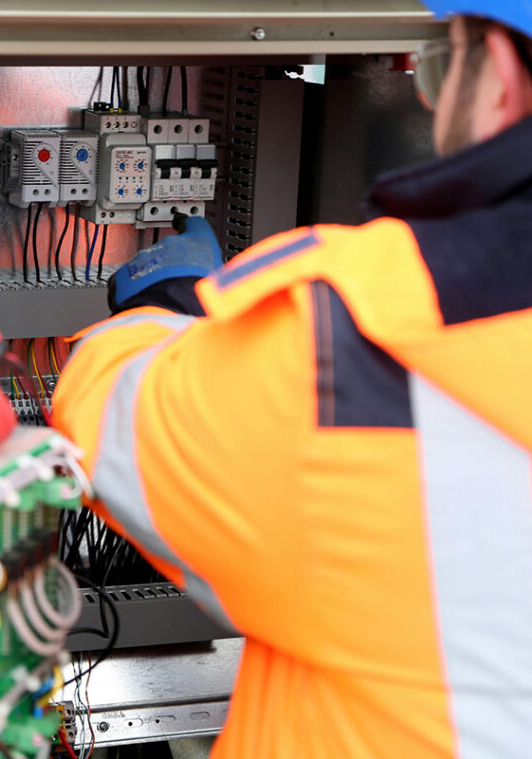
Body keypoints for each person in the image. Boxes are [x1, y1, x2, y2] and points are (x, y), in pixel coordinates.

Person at [52, 2, 532, 757]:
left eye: (441, 67)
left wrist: (163, 307)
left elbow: (105, 415)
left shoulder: (356, 339)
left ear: (501, 76)